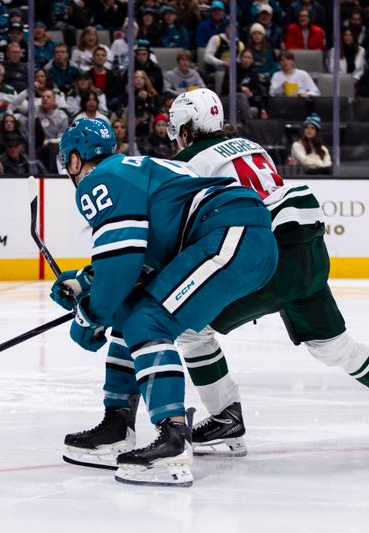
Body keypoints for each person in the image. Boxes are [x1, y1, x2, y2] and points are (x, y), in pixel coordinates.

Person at [54, 117, 278, 486]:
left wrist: (89, 314)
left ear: (76, 160)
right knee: (132, 313)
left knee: (148, 322)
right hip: (234, 235)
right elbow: (136, 261)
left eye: (68, 165)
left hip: (230, 234)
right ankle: (117, 424)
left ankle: (173, 440)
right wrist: (86, 284)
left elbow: (122, 261)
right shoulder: (136, 167)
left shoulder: (99, 179)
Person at [167, 89, 366, 457]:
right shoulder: (248, 144)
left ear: (185, 127)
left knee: (193, 330)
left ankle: (226, 418)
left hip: (267, 258)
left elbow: (185, 231)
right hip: (307, 247)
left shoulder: (188, 163)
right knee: (335, 348)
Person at [223, 48, 268, 123]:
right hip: (231, 98)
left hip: (248, 100)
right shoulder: (232, 70)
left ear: (252, 60)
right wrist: (241, 88)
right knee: (241, 96)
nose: (246, 59)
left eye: (249, 58)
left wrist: (251, 94)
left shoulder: (254, 72)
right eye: (244, 57)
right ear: (240, 59)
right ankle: (249, 123)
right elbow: (225, 87)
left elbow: (258, 90)